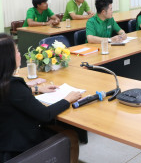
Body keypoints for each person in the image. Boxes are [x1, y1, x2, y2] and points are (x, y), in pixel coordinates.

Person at [0, 34, 82, 163]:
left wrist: (37, 89)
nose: (19, 54)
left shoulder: (6, 83)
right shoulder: (14, 86)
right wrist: (67, 99)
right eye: (16, 51)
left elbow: (12, 96)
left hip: (6, 140)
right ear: (8, 58)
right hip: (19, 147)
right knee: (71, 136)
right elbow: (46, 114)